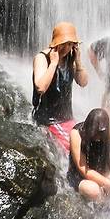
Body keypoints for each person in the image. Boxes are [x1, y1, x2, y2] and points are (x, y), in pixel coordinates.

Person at [32, 22, 88, 152]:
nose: (66, 48)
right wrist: (53, 63)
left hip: (67, 119)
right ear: (55, 42)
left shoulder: (70, 59)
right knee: (75, 148)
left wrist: (78, 62)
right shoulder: (42, 58)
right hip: (49, 120)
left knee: (87, 144)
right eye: (63, 43)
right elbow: (40, 87)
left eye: (70, 44)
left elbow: (83, 82)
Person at [68, 107, 110, 202]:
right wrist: (108, 184)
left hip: (106, 171)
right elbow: (83, 168)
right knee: (92, 190)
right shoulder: (77, 133)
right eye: (93, 134)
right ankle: (98, 209)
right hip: (82, 177)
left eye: (99, 135)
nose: (96, 138)